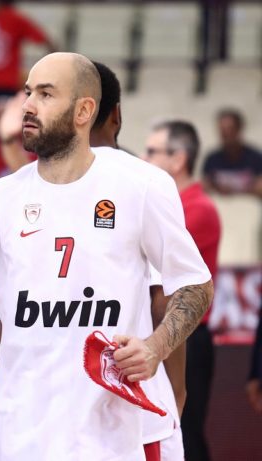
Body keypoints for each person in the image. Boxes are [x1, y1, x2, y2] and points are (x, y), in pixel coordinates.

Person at [0, 54, 214, 460]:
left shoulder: (141, 185)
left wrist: (155, 347)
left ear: (84, 110)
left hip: (114, 438)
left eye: (45, 94)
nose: (28, 105)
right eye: (28, 92)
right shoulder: (3, 195)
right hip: (21, 435)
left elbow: (195, 285)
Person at [91, 61, 184, 461]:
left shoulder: (141, 183)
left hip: (108, 407)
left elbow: (168, 297)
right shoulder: (143, 183)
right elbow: (165, 299)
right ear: (116, 115)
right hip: (126, 402)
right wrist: (176, 392)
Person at [144, 121, 221, 461]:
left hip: (187, 335)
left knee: (184, 431)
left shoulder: (198, 209)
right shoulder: (172, 205)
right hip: (164, 331)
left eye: (153, 151)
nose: (144, 158)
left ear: (179, 160)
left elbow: (157, 263)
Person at [202, 108, 262, 196]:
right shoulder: (212, 159)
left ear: (239, 129)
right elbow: (204, 186)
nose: (226, 134)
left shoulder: (255, 158)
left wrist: (239, 190)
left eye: (230, 129)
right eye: (222, 130)